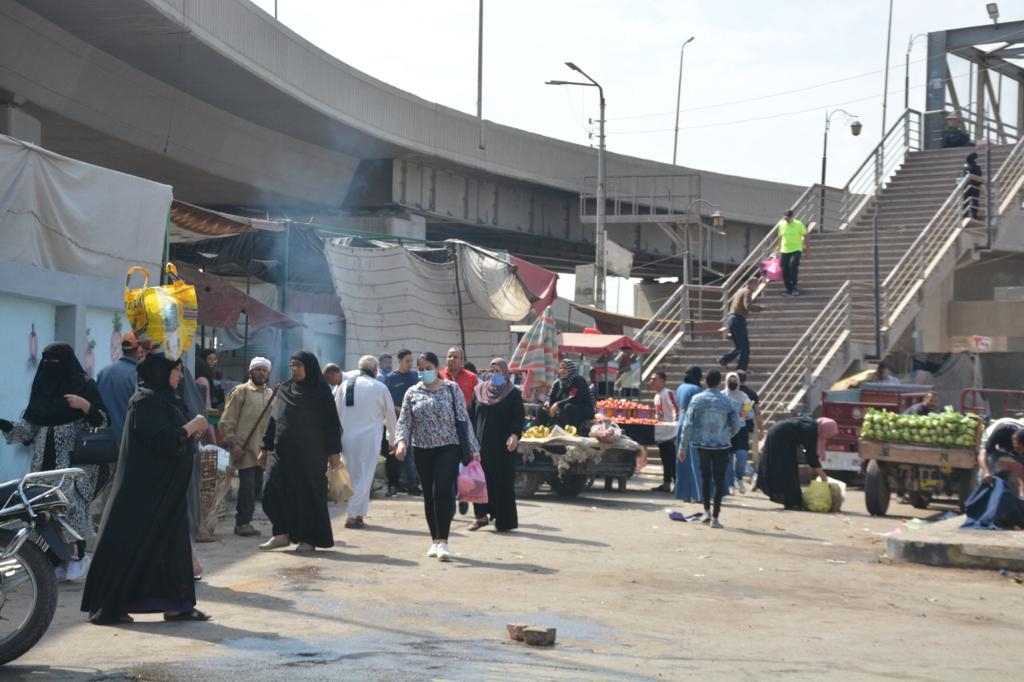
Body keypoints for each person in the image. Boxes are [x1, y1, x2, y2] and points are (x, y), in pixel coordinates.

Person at [81, 352, 211, 624]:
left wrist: (190, 432)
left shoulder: (165, 399)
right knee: (132, 546)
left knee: (170, 547)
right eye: (175, 371)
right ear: (160, 373)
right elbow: (162, 441)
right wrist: (190, 428)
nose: (178, 377)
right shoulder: (146, 401)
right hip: (144, 494)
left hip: (166, 492)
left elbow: (173, 437)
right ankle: (110, 606)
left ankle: (177, 605)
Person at [0, 342, 109, 582]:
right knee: (45, 512)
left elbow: (103, 420)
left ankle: (78, 558)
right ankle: (56, 560)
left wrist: (85, 406)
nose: (50, 367)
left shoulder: (84, 386)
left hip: (73, 464)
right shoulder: (42, 389)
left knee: (71, 509)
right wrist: (5, 424)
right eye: (46, 361)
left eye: (55, 361)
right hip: (43, 465)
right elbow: (27, 429)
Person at [395, 352, 481, 562]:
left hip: (448, 447)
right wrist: (401, 442)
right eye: (421, 368)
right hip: (422, 449)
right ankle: (434, 540)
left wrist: (474, 449)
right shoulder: (412, 393)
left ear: (436, 367)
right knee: (429, 495)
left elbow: (463, 419)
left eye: (428, 368)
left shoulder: (451, 389)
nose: (425, 372)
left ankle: (443, 541)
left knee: (442, 489)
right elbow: (404, 420)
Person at [258, 351, 343, 553]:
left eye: (298, 365)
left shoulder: (320, 393)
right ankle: (281, 534)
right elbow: (273, 419)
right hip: (282, 453)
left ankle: (308, 538)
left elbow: (331, 424)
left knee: (307, 496)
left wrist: (334, 453)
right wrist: (264, 447)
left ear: (309, 367)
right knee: (271, 490)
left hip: (310, 456)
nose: (294, 369)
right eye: (292, 365)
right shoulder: (285, 389)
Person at [336, 355, 397, 529]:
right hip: (368, 440)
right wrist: (393, 440)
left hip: (346, 439)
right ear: (376, 369)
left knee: (355, 476)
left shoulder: (344, 385)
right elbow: (390, 417)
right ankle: (352, 515)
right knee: (363, 477)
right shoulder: (379, 387)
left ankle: (360, 514)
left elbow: (335, 412)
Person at [217, 356, 274, 537]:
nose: (261, 373)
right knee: (248, 488)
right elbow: (226, 421)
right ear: (250, 372)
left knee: (257, 487)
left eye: (264, 370)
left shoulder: (271, 394)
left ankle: (246, 520)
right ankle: (242, 523)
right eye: (258, 369)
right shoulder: (241, 391)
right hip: (244, 449)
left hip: (263, 450)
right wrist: (234, 445)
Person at [679, 369, 742, 528]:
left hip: (702, 444)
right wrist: (727, 435)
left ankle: (706, 511)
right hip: (721, 445)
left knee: (705, 477)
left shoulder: (697, 399)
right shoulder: (727, 401)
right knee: (719, 480)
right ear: (720, 382)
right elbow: (736, 424)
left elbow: (688, 425)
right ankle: (715, 517)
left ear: (705, 382)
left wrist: (683, 447)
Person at [467, 358, 525, 532]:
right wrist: (469, 441)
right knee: (479, 480)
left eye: (498, 371)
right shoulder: (478, 391)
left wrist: (514, 435)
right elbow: (471, 417)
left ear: (505, 373)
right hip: (480, 445)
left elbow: (518, 418)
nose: (494, 375)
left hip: (502, 448)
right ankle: (481, 517)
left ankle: (503, 519)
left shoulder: (512, 393)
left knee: (501, 482)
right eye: (492, 371)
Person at [756, 416, 837, 510]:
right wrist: (822, 474)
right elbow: (811, 455)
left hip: (783, 438)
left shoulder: (813, 427)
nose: (828, 438)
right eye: (829, 435)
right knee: (785, 469)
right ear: (824, 429)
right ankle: (790, 500)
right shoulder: (811, 430)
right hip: (779, 437)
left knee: (790, 468)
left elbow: (811, 454)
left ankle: (792, 500)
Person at [385, 349, 421, 497]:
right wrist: (400, 409)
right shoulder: (391, 378)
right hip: (397, 420)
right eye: (407, 361)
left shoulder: (415, 376)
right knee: (395, 452)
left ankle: (412, 484)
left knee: (411, 453)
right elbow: (387, 399)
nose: (410, 364)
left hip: (415, 419)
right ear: (399, 361)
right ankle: (395, 484)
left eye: (411, 361)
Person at [96, 331, 144, 442]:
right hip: (128, 443)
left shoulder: (103, 372)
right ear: (139, 350)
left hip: (103, 442)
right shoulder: (138, 375)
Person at [718, 276, 764, 371]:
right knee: (745, 346)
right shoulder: (747, 292)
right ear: (752, 284)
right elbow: (747, 306)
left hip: (731, 318)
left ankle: (724, 359)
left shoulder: (740, 291)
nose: (757, 288)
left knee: (739, 346)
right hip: (738, 319)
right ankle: (742, 368)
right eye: (757, 285)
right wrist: (761, 308)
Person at [674, 366, 704, 503]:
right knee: (695, 462)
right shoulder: (696, 390)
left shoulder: (680, 388)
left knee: (681, 461)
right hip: (692, 426)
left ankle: (684, 494)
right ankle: (697, 495)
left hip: (680, 424)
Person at [541, 359, 595, 431]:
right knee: (542, 409)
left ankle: (571, 431)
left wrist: (558, 404)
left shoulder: (577, 380)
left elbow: (575, 398)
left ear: (570, 369)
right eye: (560, 368)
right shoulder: (558, 382)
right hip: (565, 408)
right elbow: (551, 396)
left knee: (568, 407)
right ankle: (540, 430)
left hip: (584, 410)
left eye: (565, 368)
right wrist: (548, 403)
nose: (562, 370)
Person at [722, 371, 752, 494]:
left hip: (741, 429)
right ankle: (730, 484)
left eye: (735, 380)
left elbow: (751, 413)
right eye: (730, 380)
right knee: (727, 459)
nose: (732, 383)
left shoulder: (744, 396)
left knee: (742, 456)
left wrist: (746, 414)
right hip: (727, 429)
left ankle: (739, 478)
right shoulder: (722, 395)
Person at [650, 371, 678, 493]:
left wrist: (675, 424)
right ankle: (666, 483)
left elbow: (675, 409)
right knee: (665, 458)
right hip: (661, 431)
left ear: (662, 381)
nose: (651, 382)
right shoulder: (657, 396)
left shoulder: (668, 393)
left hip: (670, 431)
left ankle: (677, 483)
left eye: (654, 379)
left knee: (671, 458)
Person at [979, 419, 1024, 491]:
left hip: (1011, 442)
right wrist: (986, 472)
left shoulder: (1021, 439)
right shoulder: (999, 433)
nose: (1020, 452)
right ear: (1014, 440)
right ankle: (983, 493)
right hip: (996, 446)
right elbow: (983, 454)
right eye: (1018, 449)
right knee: (987, 474)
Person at [776, 209, 807, 296]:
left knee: (793, 265)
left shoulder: (798, 224)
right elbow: (780, 238)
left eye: (788, 218)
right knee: (784, 269)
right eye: (785, 218)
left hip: (796, 249)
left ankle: (794, 285)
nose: (786, 220)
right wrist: (778, 250)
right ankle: (789, 288)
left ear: (792, 217)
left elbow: (805, 235)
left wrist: (807, 249)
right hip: (784, 250)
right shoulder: (781, 225)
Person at [192, 348, 218, 443]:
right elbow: (207, 409)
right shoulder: (203, 381)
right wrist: (213, 440)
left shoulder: (206, 378)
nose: (212, 362)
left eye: (214, 359)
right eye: (209, 359)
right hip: (203, 426)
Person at [960, 152, 983, 220]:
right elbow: (979, 176)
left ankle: (965, 215)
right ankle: (974, 214)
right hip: (974, 186)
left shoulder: (963, 167)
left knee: (966, 201)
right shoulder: (976, 167)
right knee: (974, 201)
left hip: (965, 186)